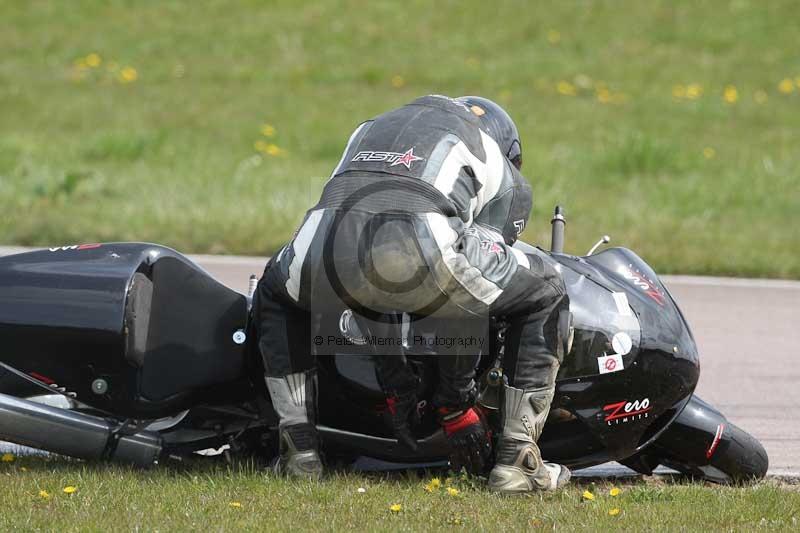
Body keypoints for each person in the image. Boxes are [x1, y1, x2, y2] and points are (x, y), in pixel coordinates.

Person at [253, 95, 571, 493]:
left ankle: (298, 452)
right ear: (510, 151)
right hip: (420, 242)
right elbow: (468, 299)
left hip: (322, 238)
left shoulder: (369, 128)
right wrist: (454, 404)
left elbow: (370, 273)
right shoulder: (503, 170)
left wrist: (395, 380)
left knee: (275, 294)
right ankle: (519, 462)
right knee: (548, 292)